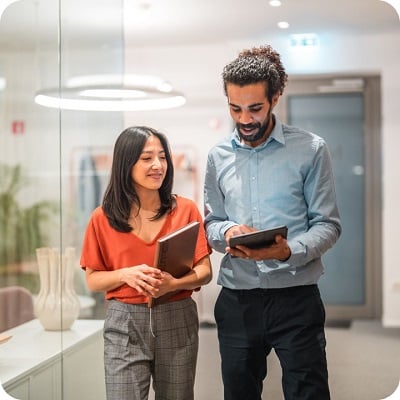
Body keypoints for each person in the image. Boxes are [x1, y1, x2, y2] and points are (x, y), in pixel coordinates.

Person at [204, 45, 341, 400]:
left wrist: (287, 252)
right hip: (238, 300)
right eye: (235, 108)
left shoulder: (311, 149)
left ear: (275, 97)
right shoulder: (218, 156)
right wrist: (228, 231)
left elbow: (328, 224)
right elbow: (212, 222)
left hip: (296, 298)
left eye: (255, 108)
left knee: (307, 393)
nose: (245, 119)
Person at [80, 126, 212, 400]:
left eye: (162, 157)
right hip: (124, 321)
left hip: (177, 315)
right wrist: (125, 274)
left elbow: (205, 271)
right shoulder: (101, 218)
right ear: (126, 163)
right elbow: (92, 279)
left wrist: (173, 283)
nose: (157, 165)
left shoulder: (185, 209)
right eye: (146, 158)